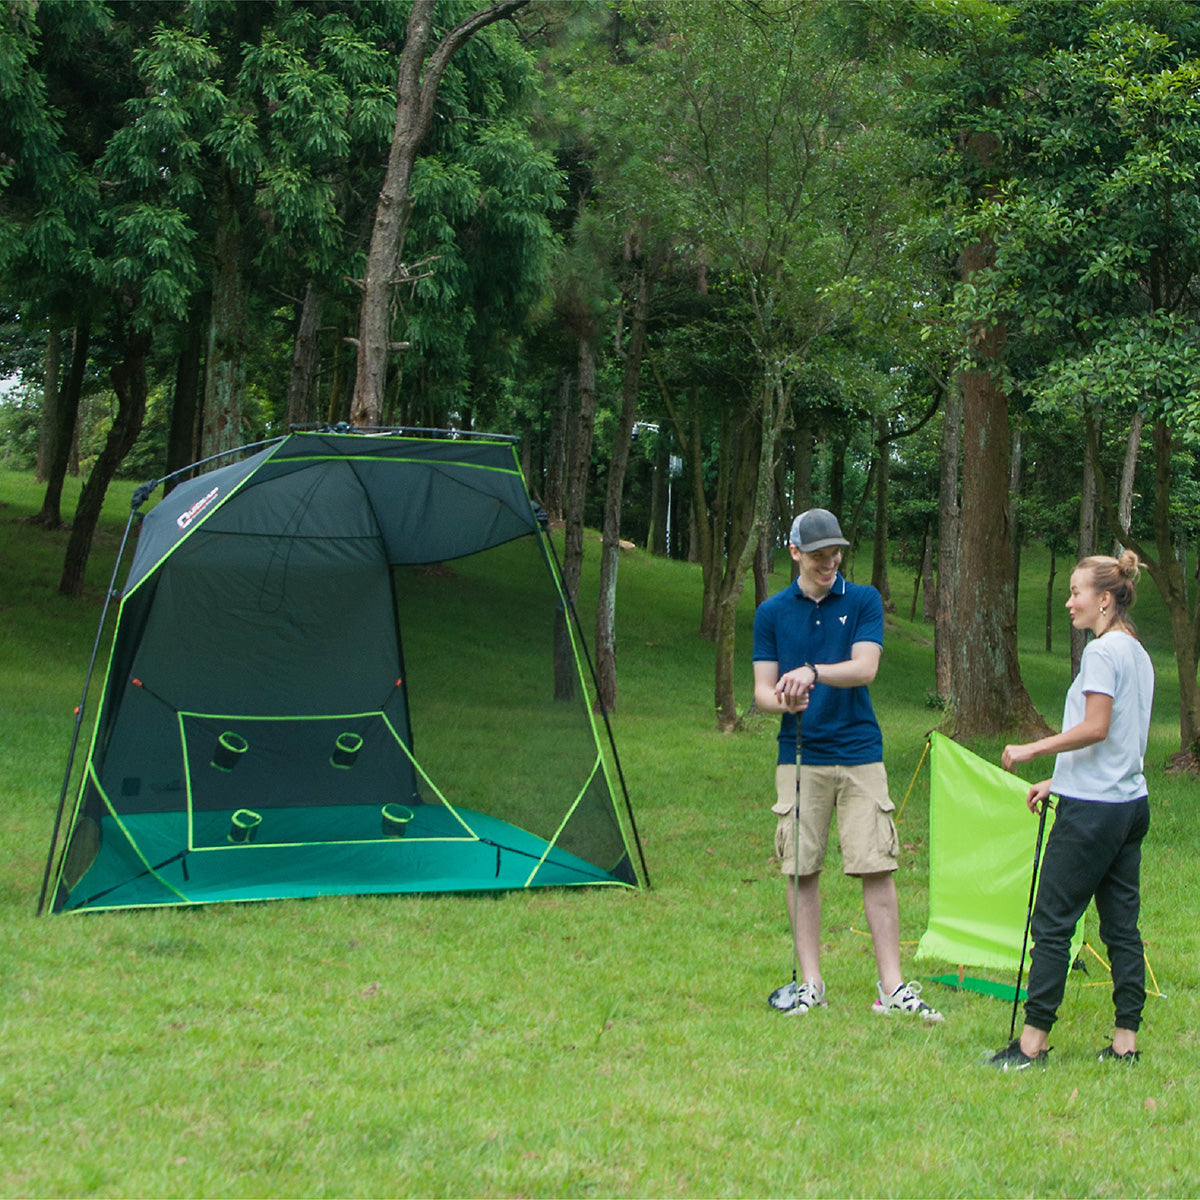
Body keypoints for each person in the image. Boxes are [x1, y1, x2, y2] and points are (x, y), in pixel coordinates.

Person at [752, 508, 943, 1022]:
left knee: (876, 866)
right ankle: (811, 984)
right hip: (799, 756)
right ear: (794, 552)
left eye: (835, 552)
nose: (830, 562)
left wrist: (811, 672)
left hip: (860, 752)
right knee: (800, 869)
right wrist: (783, 700)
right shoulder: (771, 613)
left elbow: (865, 668)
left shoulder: (862, 600)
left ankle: (893, 988)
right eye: (818, 555)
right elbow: (761, 691)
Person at [990, 550, 1154, 1069]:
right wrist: (1056, 781)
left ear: (1104, 599)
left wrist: (1032, 750)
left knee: (1053, 923)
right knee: (1121, 926)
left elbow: (1096, 727)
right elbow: (1118, 745)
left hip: (1094, 814)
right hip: (1129, 805)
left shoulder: (1103, 654)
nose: (1069, 602)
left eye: (1077, 592)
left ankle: (1032, 1044)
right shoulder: (1138, 652)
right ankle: (1125, 1041)